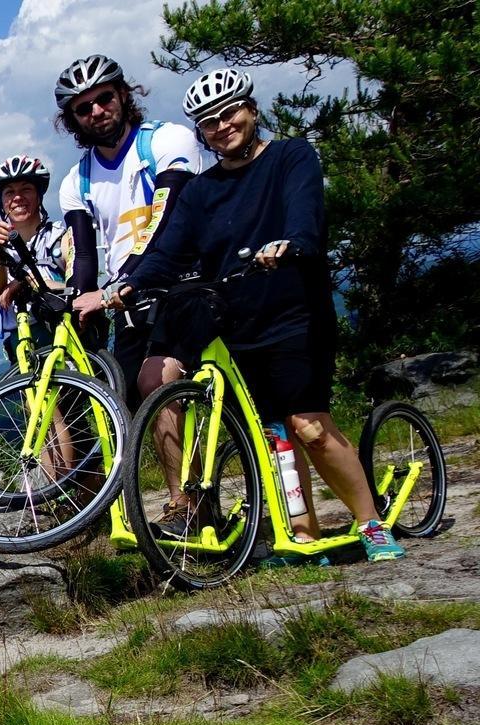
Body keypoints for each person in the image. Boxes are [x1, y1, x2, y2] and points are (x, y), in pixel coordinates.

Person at [105, 68, 404, 561]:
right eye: (208, 123)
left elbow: (304, 214)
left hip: (295, 312)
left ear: (252, 110)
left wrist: (292, 244)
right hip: (240, 322)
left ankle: (371, 523)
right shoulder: (201, 191)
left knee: (308, 425)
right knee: (274, 432)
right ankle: (302, 532)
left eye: (229, 114)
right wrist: (131, 282)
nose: (222, 126)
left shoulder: (290, 156)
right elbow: (170, 249)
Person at [54, 53, 205, 402]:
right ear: (72, 119)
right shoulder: (77, 180)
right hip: (129, 304)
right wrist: (77, 301)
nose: (96, 111)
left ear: (123, 94)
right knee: (126, 411)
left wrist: (115, 288)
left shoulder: (166, 141)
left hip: (187, 286)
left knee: (158, 387)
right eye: (83, 107)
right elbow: (84, 258)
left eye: (104, 98)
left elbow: (164, 222)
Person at [0, 155, 77, 358]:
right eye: (9, 192)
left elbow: (77, 290)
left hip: (64, 333)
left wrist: (23, 283)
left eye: (26, 189)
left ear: (39, 195)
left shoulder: (62, 237)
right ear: (1, 202)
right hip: (20, 341)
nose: (17, 198)